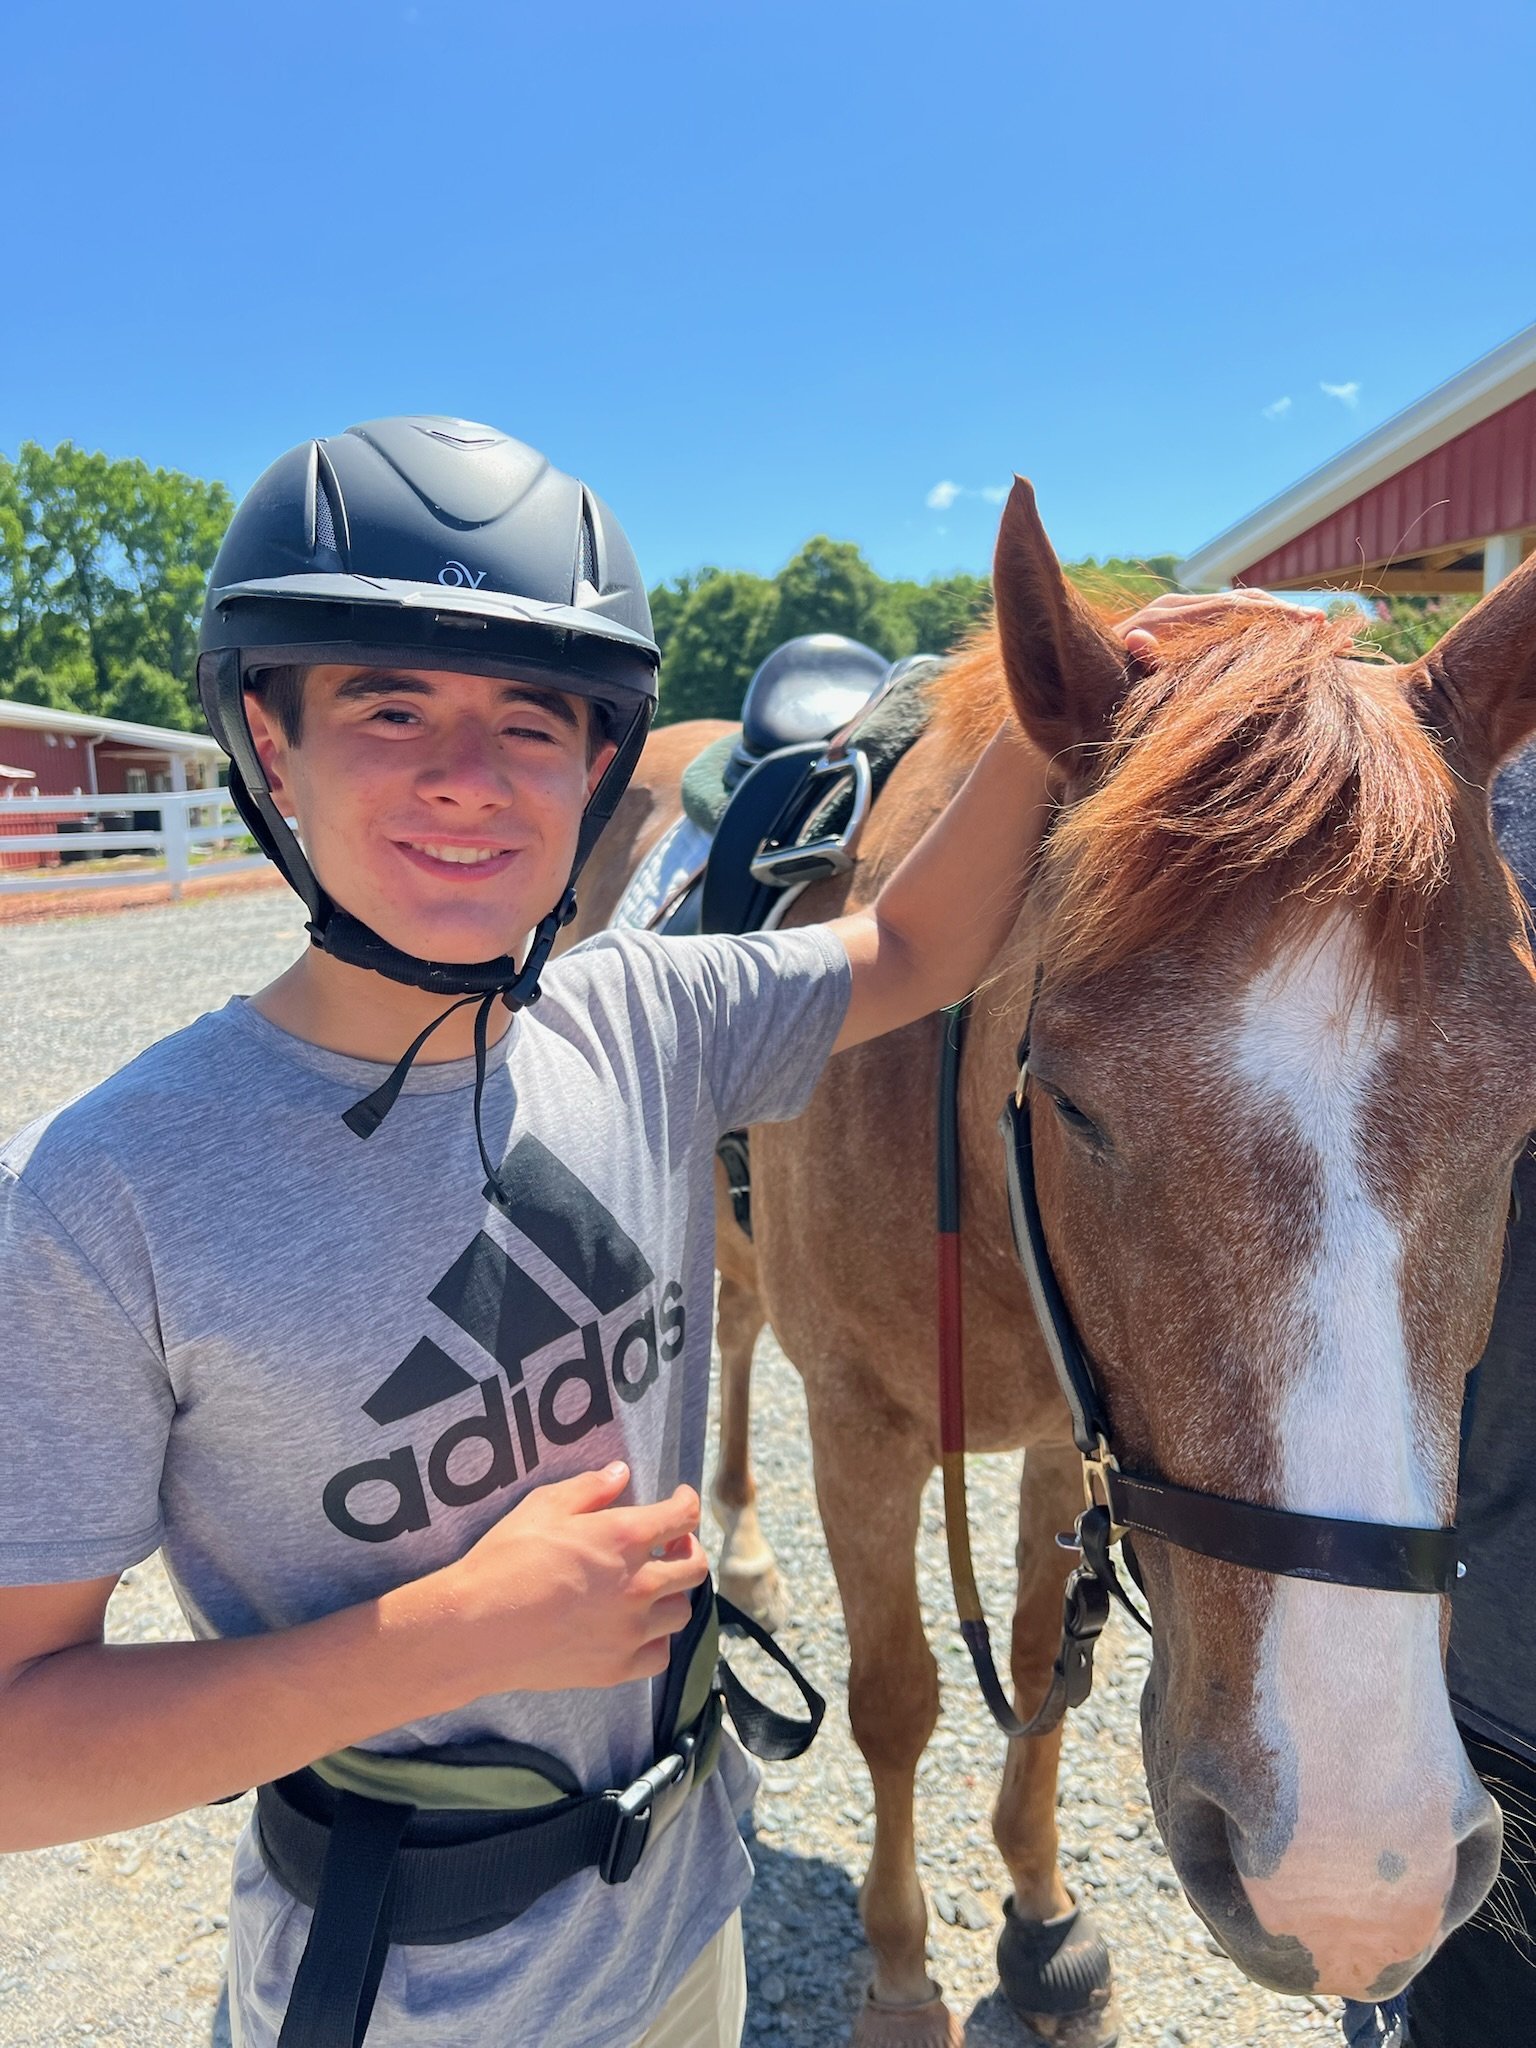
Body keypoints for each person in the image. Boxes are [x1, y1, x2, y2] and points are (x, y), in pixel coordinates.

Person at [0, 418, 1069, 2048]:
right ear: (267, 747)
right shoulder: (112, 1192)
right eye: (388, 705)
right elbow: (17, 1751)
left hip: (679, 1919)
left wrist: (1118, 668)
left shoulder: (641, 1015)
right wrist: (457, 1637)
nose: (468, 776)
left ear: (595, 766)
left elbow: (915, 945)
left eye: (530, 720)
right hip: (404, 1988)